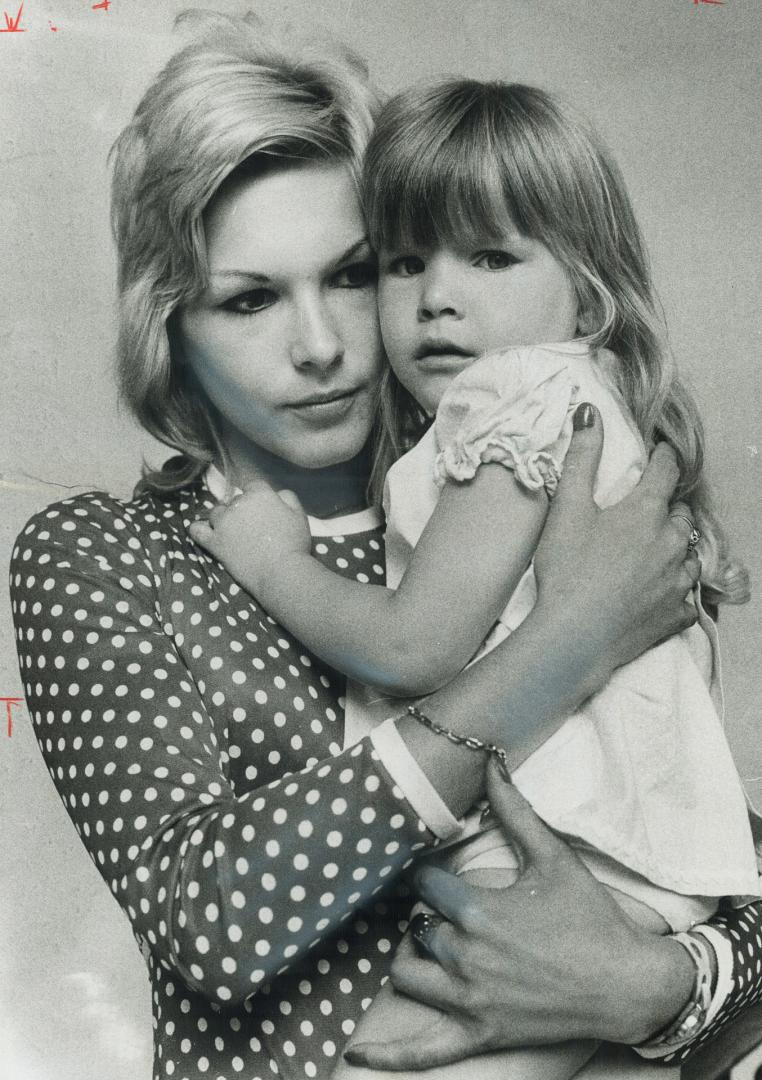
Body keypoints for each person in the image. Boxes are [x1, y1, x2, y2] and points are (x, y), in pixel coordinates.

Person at [7, 14, 760, 1080]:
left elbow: (708, 835)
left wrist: (664, 987)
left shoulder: (490, 500)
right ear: (169, 324)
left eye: (355, 275)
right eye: (252, 298)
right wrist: (569, 639)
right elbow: (211, 920)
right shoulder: (108, 556)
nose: (318, 346)